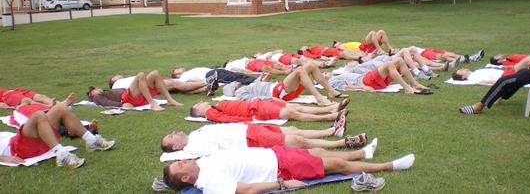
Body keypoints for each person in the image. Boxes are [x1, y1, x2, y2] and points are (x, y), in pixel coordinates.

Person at [162, 143, 416, 193]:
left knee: (317, 152)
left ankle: (362, 152)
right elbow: (247, 190)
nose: (183, 160)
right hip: (280, 167)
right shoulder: (209, 183)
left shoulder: (200, 164)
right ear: (185, 177)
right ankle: (390, 166)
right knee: (336, 165)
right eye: (180, 164)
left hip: (273, 154)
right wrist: (282, 184)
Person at [0, 102, 115, 168]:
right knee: (38, 115)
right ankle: (61, 154)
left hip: (35, 143)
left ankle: (91, 141)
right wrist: (6, 158)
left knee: (60, 108)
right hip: (17, 148)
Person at [160, 122, 367, 155]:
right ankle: (343, 142)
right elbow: (216, 153)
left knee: (292, 130)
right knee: (297, 142)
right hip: (249, 139)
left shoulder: (195, 134)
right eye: (170, 137)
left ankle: (331, 131)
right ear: (176, 146)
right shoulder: (193, 146)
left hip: (249, 129)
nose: (173, 132)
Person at [223, 62, 348, 106]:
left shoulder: (248, 86)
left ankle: (330, 91)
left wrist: (265, 79)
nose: (236, 82)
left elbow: (259, 88)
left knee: (310, 65)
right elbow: (256, 99)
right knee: (299, 70)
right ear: (233, 88)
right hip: (278, 93)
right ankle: (319, 98)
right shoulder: (240, 92)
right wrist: (273, 99)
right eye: (234, 84)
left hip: (280, 88)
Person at [189, 98, 350, 123]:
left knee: (294, 107)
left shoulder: (214, 106)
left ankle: (331, 108)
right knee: (292, 113)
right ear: (198, 111)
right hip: (255, 110)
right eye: (199, 104)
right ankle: (331, 116)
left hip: (258, 103)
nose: (202, 102)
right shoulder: (210, 112)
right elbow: (227, 119)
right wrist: (248, 120)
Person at [88, 71, 183, 111]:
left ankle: (170, 99)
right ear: (92, 93)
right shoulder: (97, 97)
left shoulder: (107, 92)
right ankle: (152, 103)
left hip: (136, 96)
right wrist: (121, 105)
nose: (98, 89)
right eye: (95, 90)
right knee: (140, 75)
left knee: (155, 73)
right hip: (127, 99)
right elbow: (106, 103)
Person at [328, 58, 431, 95]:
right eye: (324, 75)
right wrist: (362, 88)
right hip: (365, 81)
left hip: (367, 77)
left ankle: (415, 84)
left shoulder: (339, 74)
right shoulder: (331, 81)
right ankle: (407, 88)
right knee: (389, 65)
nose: (325, 73)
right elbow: (344, 87)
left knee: (399, 60)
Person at [109, 74, 210, 95]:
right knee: (173, 83)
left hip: (143, 90)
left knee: (175, 88)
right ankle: (206, 82)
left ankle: (204, 89)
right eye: (116, 76)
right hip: (145, 86)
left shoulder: (120, 85)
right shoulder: (118, 83)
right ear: (113, 80)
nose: (119, 75)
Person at [0, 88, 76, 109]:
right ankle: (49, 107)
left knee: (40, 97)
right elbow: (2, 105)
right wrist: (11, 107)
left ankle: (62, 104)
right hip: (6, 95)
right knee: (27, 101)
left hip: (14, 91)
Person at [255, 50, 337, 68]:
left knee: (305, 58)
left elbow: (280, 50)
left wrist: (272, 53)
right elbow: (269, 63)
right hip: (281, 58)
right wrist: (269, 58)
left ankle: (326, 64)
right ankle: (317, 66)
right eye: (256, 54)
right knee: (298, 61)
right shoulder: (259, 58)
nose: (257, 53)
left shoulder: (268, 53)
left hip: (285, 54)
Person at [224, 57, 291, 75]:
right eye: (229, 60)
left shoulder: (236, 61)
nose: (230, 59)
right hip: (251, 64)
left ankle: (291, 70)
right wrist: (245, 71)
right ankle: (285, 72)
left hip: (255, 61)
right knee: (267, 68)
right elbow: (235, 69)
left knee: (276, 65)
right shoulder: (228, 66)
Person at [297, 45, 366, 61]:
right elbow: (313, 56)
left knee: (345, 50)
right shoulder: (305, 52)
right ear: (302, 50)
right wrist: (321, 57)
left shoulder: (310, 48)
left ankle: (362, 55)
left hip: (329, 49)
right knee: (343, 53)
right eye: (302, 47)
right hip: (326, 52)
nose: (304, 46)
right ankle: (359, 58)